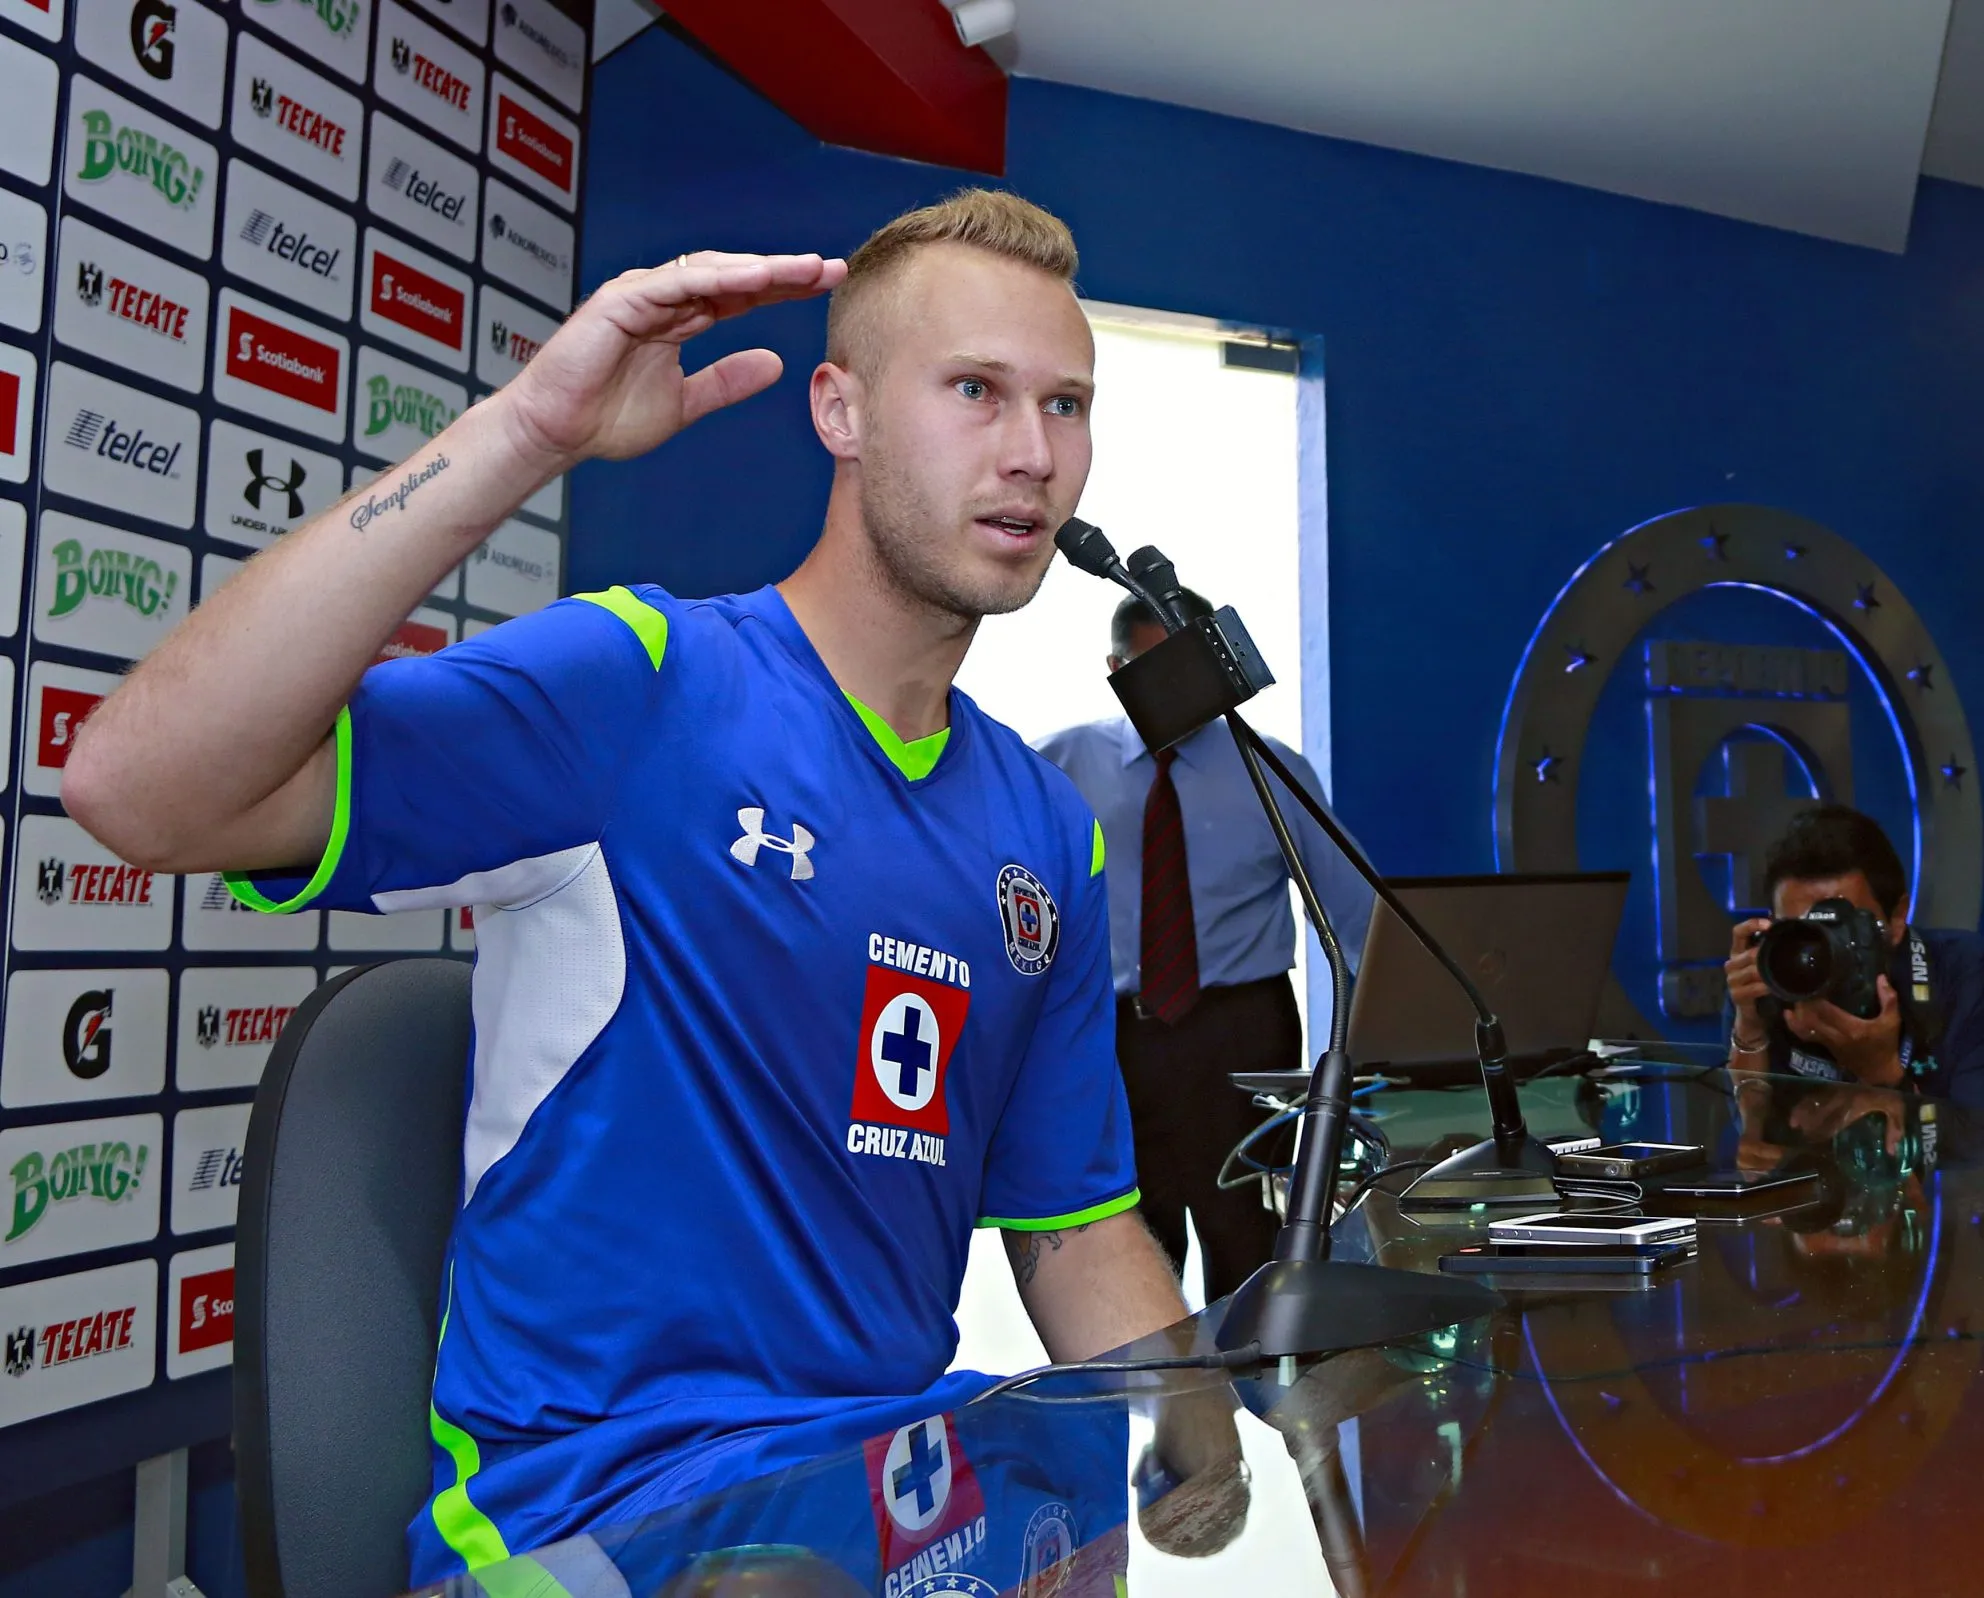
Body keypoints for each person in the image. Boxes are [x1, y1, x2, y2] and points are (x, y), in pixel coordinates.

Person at [64, 192, 1207, 1583]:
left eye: (1065, 404)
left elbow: (1074, 1224)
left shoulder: (1045, 829)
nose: (1032, 451)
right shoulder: (644, 680)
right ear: (840, 411)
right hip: (596, 1512)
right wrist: (525, 435)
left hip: (877, 1490)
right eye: (975, 389)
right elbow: (138, 790)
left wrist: (1202, 1429)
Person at [1038, 593, 1372, 1302]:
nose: (1176, 688)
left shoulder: (1268, 769)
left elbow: (1357, 918)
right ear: (1115, 670)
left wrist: (1391, 1051)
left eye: (1189, 665)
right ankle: (1158, 1376)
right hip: (1114, 1039)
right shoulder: (1062, 764)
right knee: (1130, 1235)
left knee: (1247, 1237)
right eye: (1153, 668)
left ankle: (1257, 1370)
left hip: (1241, 1034)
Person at [1720, 804, 1984, 1110]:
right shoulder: (1768, 974)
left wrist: (1881, 1071)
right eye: (1802, 930)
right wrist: (1750, 1029)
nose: (1820, 949)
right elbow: (1751, 1136)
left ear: (1896, 919)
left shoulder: (1968, 976)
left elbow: (1982, 1136)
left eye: (1843, 927)